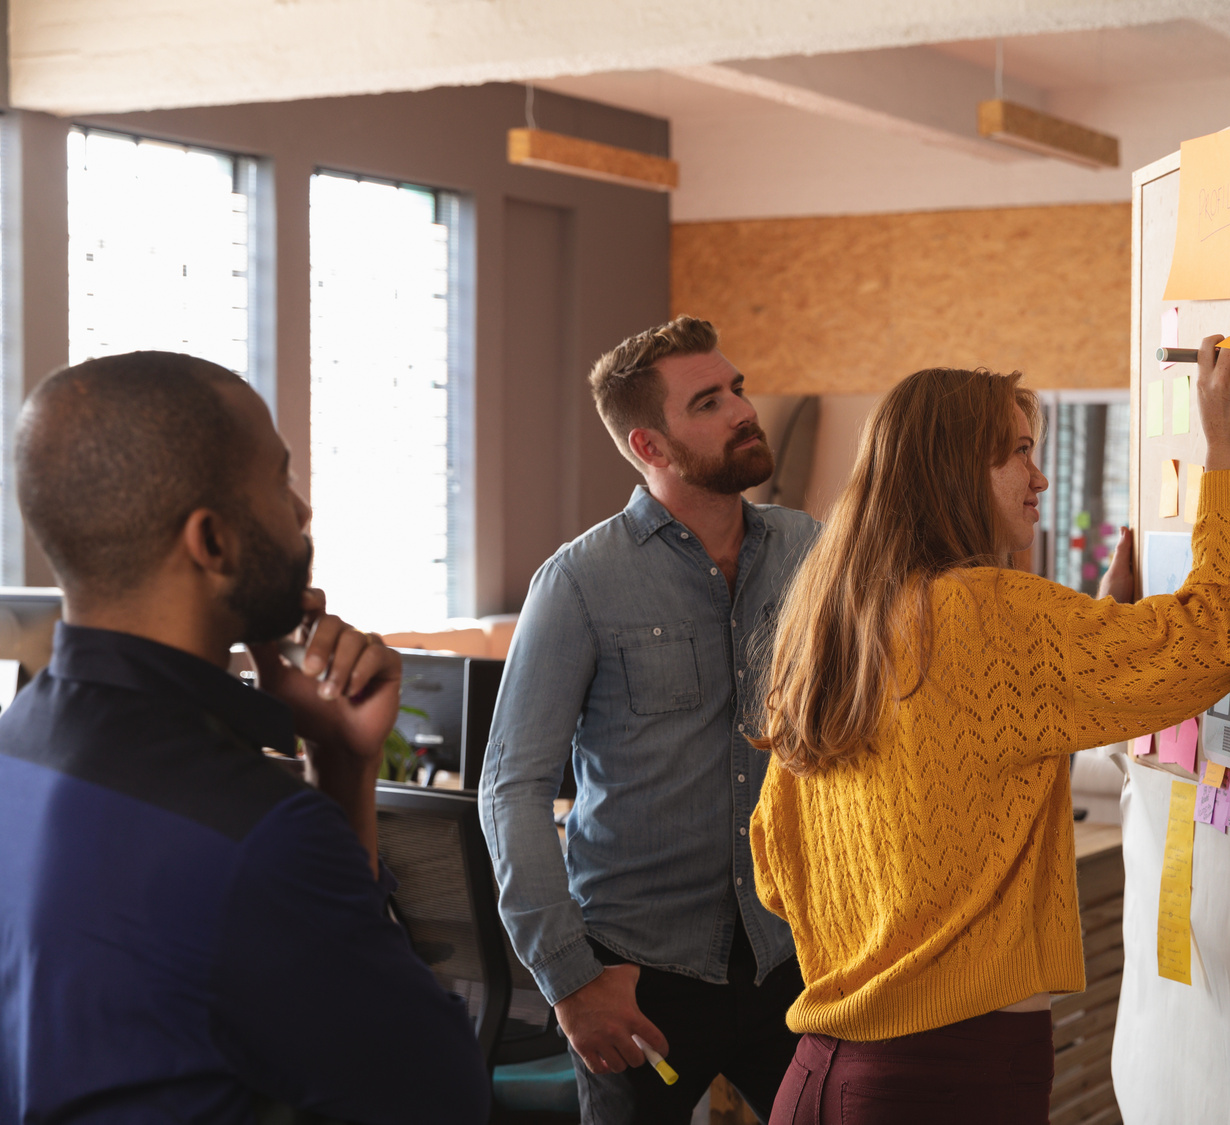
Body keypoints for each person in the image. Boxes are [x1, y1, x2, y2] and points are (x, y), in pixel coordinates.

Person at [750, 339, 1230, 1123]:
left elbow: (774, 870)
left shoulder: (833, 627)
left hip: (824, 1077)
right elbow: (1216, 635)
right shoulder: (989, 616)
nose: (1041, 477)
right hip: (945, 1080)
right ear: (953, 469)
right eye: (1019, 453)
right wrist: (1227, 451)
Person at [0, 352, 489, 1124]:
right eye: (279, 481)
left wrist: (344, 761)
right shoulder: (256, 835)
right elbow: (438, 1100)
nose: (301, 512)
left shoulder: (14, 745)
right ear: (214, 541)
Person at [479, 317, 821, 1123]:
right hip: (638, 975)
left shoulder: (809, 549)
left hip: (792, 958)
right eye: (709, 401)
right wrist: (569, 980)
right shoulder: (580, 581)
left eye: (737, 387)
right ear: (651, 445)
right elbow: (512, 789)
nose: (743, 409)